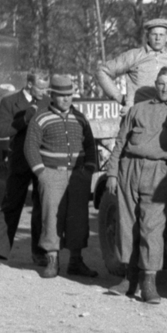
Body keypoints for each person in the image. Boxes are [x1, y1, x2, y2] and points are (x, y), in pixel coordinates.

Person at [105, 67, 167, 304]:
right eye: (161, 83)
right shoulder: (137, 110)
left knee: (152, 227)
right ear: (155, 83)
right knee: (127, 224)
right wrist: (112, 173)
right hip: (129, 168)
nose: (165, 88)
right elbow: (120, 143)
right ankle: (128, 279)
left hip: (159, 170)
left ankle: (149, 284)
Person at [24, 74, 99, 280]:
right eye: (61, 96)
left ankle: (76, 261)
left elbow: (90, 145)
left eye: (69, 95)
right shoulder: (41, 118)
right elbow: (30, 147)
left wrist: (89, 170)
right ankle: (52, 260)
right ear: (52, 96)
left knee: (78, 218)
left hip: (77, 176)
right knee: (51, 217)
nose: (66, 99)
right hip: (51, 175)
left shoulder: (81, 118)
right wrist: (42, 173)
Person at [0, 70, 49, 268]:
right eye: (41, 88)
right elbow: (1, 131)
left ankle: (40, 252)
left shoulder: (47, 102)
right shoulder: (9, 102)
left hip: (42, 160)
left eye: (46, 88)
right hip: (20, 160)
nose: (44, 92)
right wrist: (24, 120)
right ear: (29, 85)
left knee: (41, 205)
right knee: (11, 204)